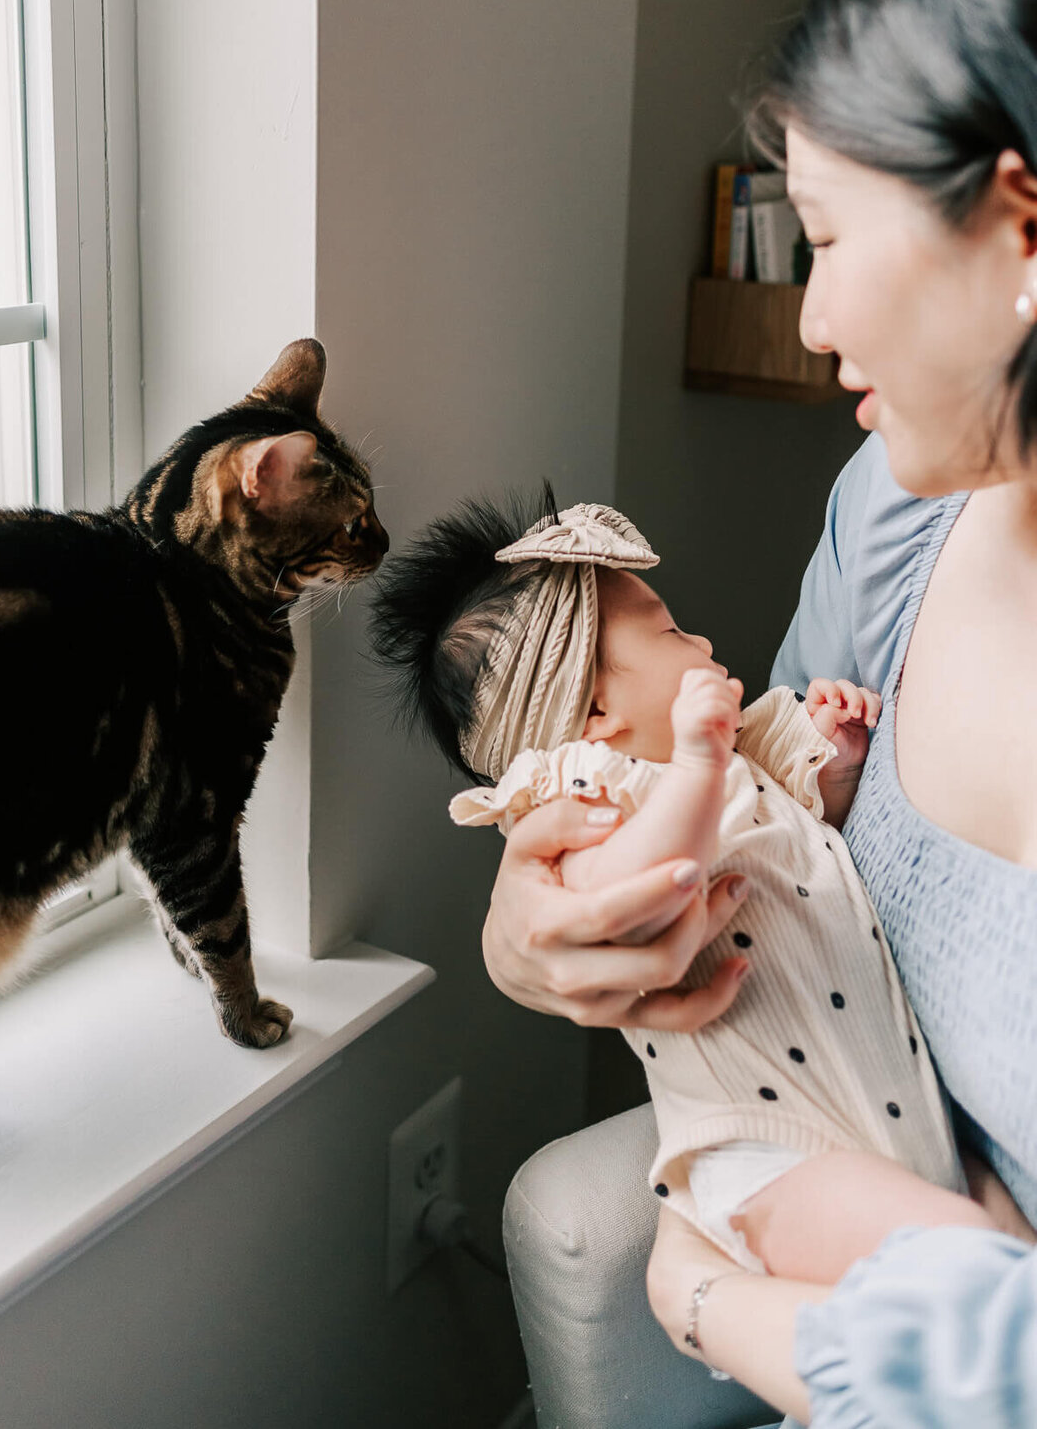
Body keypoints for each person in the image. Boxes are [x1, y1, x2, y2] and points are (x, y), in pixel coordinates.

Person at [480, 0, 1037, 1426]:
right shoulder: (898, 512)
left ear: (1019, 226)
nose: (806, 314)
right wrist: (539, 939)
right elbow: (760, 819)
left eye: (833, 238)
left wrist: (708, 1294)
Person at [373, 489, 1008, 1290]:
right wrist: (703, 766)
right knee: (972, 1266)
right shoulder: (594, 798)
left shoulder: (734, 761)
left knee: (984, 1243)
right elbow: (642, 886)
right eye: (672, 630)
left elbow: (810, 835)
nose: (702, 638)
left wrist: (836, 758)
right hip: (770, 1157)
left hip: (888, 1107)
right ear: (597, 710)